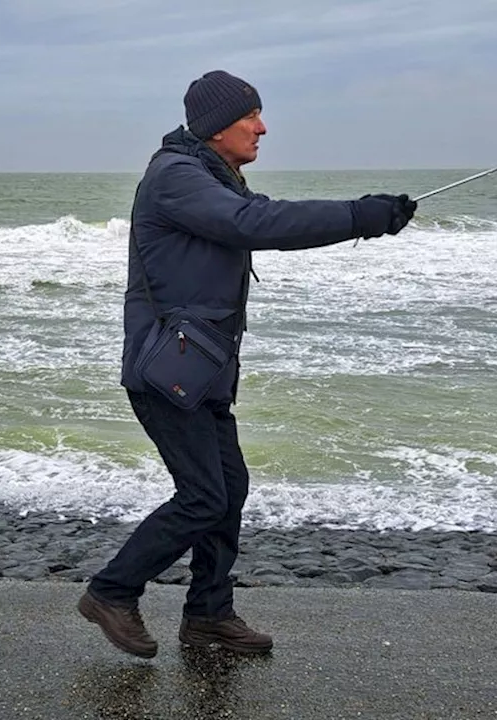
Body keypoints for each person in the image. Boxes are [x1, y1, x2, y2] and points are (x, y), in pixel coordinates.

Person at [77, 70, 416, 659]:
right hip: (167, 371)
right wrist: (361, 216)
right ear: (215, 128)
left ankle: (208, 613)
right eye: (250, 117)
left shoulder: (214, 174)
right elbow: (256, 225)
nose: (262, 127)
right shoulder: (177, 176)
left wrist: (373, 216)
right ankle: (112, 590)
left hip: (201, 369)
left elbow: (260, 214)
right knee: (204, 496)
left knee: (229, 487)